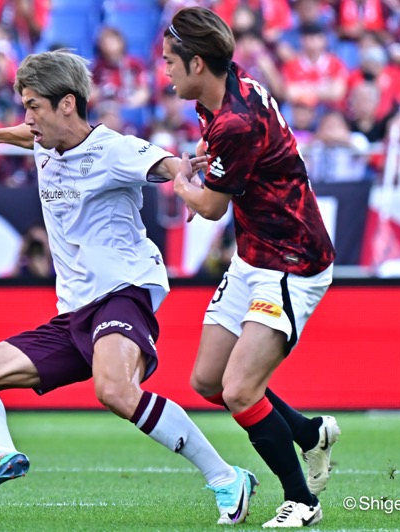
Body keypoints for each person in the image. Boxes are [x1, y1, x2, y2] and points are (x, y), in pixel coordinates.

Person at [0, 49, 258, 526]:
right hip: (73, 313)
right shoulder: (43, 140)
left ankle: (225, 478)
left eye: (33, 107)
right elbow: (25, 136)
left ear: (67, 104)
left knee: (113, 390)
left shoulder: (113, 150)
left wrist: (187, 182)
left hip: (123, 292)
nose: (26, 119)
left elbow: (167, 163)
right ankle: (1, 454)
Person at [163, 7, 341, 528]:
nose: (165, 71)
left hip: (292, 262)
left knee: (240, 389)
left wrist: (180, 181)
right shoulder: (227, 89)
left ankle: (302, 500)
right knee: (208, 380)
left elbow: (212, 207)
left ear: (198, 63)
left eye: (171, 62)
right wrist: (205, 156)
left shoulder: (235, 120)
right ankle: (309, 434)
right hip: (254, 255)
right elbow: (228, 149)